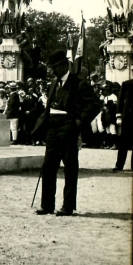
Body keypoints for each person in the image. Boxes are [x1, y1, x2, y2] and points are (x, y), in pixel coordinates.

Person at [32, 50, 100, 216]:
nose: (52, 70)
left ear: (64, 65)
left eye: (54, 67)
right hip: (52, 129)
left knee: (70, 168)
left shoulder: (79, 83)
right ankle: (47, 205)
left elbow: (95, 105)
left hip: (68, 128)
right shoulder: (54, 83)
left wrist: (78, 121)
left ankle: (67, 206)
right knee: (48, 167)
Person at [113, 74, 133, 171]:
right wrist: (119, 115)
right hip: (128, 116)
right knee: (123, 142)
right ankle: (119, 165)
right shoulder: (126, 84)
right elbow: (120, 101)